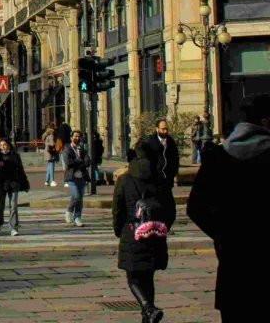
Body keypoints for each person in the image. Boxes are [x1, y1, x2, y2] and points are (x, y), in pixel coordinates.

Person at [188, 93, 270, 323]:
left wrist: (224, 236)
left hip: (233, 264)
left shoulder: (217, 157)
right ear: (264, 122)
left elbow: (195, 208)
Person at [113, 148, 174, 323]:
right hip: (156, 233)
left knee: (133, 276)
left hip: (133, 232)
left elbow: (118, 209)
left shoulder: (124, 179)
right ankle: (148, 316)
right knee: (148, 276)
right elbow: (170, 209)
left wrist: (119, 230)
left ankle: (148, 307)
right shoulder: (160, 180)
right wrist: (163, 227)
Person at [0, 138, 29, 236]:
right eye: (1, 145)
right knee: (0, 206)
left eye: (5, 144)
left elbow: (20, 170)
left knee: (13, 206)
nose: (3, 146)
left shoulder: (15, 156)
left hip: (13, 183)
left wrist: (24, 183)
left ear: (9, 145)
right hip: (0, 183)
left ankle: (13, 227)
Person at [141, 119, 180, 192]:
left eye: (167, 129)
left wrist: (173, 172)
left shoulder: (170, 141)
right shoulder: (150, 142)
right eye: (163, 129)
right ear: (157, 129)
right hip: (155, 180)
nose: (165, 131)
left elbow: (175, 158)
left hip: (168, 179)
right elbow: (146, 160)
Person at [62, 130, 89, 227]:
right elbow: (69, 163)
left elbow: (87, 160)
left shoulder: (81, 149)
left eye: (79, 137)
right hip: (72, 177)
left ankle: (77, 217)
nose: (77, 138)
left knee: (80, 199)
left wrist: (80, 161)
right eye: (75, 136)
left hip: (82, 177)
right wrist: (80, 162)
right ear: (71, 138)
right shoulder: (67, 149)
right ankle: (69, 211)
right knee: (76, 196)